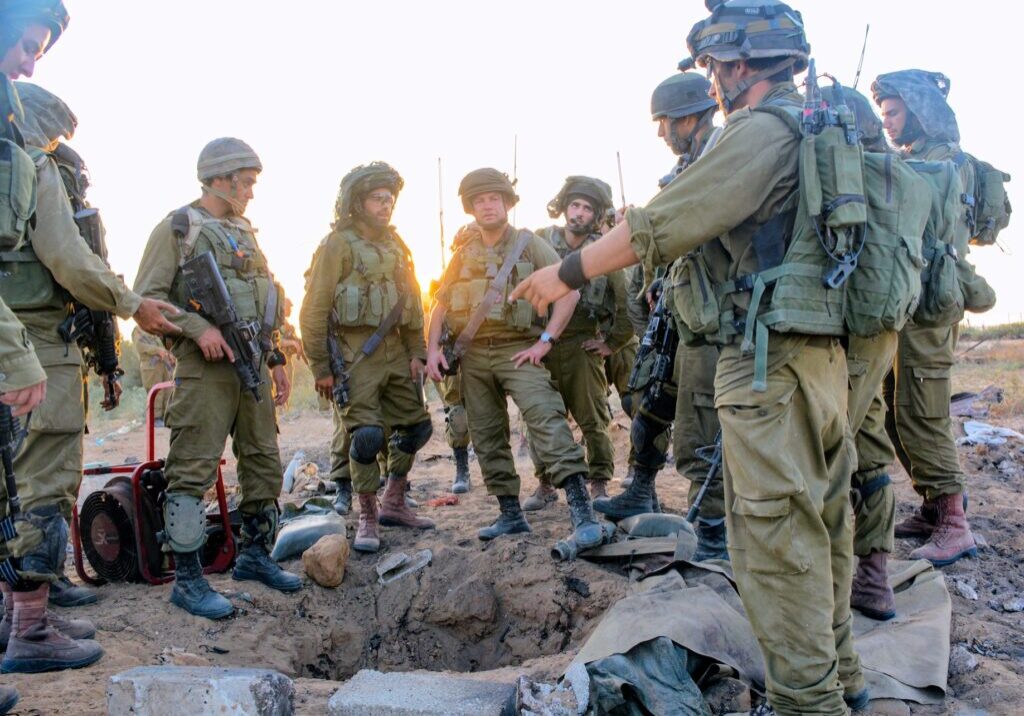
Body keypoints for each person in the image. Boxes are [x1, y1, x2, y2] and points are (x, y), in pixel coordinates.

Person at [510, 2, 869, 712]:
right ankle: (841, 680)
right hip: (819, 357)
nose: (711, 82)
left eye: (714, 66)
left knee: (772, 540)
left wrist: (568, 271)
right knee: (822, 523)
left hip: (766, 364)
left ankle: (808, 702)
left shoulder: (759, 131)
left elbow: (664, 222)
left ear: (739, 64)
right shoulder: (818, 125)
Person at [135, 138, 300, 620]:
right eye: (245, 182)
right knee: (192, 469)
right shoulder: (179, 228)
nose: (250, 192)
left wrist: (276, 357)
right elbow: (145, 303)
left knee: (263, 461)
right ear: (220, 180)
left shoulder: (243, 231)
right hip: (205, 370)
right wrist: (197, 328)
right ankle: (188, 581)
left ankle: (255, 556)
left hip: (252, 365)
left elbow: (264, 299)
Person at [425, 168, 604, 550]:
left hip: (518, 350)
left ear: (507, 203)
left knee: (546, 419)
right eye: (479, 200)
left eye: (494, 198)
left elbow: (570, 292)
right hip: (473, 357)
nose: (487, 206)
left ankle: (582, 513)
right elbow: (439, 304)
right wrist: (432, 351)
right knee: (487, 435)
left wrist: (545, 341)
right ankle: (510, 513)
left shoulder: (529, 244)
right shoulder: (463, 252)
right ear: (470, 207)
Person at [595, 71, 728, 560]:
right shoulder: (688, 166)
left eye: (664, 121)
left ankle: (712, 532)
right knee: (649, 402)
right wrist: (661, 280)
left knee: (700, 431)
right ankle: (640, 488)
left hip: (713, 320)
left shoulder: (721, 156)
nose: (660, 132)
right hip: (678, 308)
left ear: (689, 117)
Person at [871, 70, 983, 566]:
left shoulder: (945, 163)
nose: (888, 123)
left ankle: (955, 523)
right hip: (909, 301)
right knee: (895, 409)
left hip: (930, 303)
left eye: (894, 112)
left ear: (919, 112)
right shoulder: (917, 159)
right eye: (883, 114)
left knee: (923, 410)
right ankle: (934, 507)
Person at [300, 162, 434, 553]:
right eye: (377, 198)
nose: (385, 205)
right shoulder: (337, 245)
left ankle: (394, 501)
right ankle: (368, 514)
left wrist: (417, 352)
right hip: (353, 354)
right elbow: (314, 310)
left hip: (396, 352)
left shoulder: (397, 246)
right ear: (357, 203)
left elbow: (412, 303)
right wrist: (321, 367)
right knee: (367, 436)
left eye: (389, 199)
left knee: (417, 428)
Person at [524, 177, 632, 508]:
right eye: (574, 205)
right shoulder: (541, 241)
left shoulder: (605, 250)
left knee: (593, 417)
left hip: (582, 344)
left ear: (596, 215)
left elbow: (626, 300)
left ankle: (598, 482)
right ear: (564, 208)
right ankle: (545, 483)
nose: (579, 213)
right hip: (542, 345)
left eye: (587, 208)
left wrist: (613, 343)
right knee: (540, 417)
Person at [132, 326, 175, 424]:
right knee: (156, 393)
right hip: (150, 366)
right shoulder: (138, 330)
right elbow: (140, 346)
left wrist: (169, 354)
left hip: (163, 365)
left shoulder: (153, 329)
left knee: (167, 391)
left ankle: (165, 416)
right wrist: (157, 350)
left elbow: (163, 347)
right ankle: (156, 418)